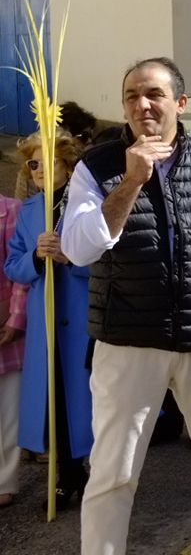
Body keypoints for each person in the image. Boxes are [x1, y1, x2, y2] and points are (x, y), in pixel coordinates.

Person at [61, 58, 191, 555]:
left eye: (153, 94)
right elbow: (80, 247)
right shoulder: (97, 168)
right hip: (129, 344)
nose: (141, 104)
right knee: (112, 474)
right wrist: (130, 182)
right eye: (131, 95)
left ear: (180, 103)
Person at [6, 133, 94, 511]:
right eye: (32, 164)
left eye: (44, 162)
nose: (36, 170)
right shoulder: (28, 211)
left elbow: (108, 257)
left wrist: (69, 257)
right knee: (53, 398)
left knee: (85, 401)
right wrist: (38, 260)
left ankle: (95, 473)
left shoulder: (87, 205)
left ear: (68, 165)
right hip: (45, 325)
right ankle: (67, 476)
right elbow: (14, 266)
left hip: (82, 320)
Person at [0, 174, 23, 509]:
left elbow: (20, 274)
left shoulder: (11, 211)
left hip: (5, 325)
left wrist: (16, 319)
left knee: (8, 409)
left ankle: (5, 479)